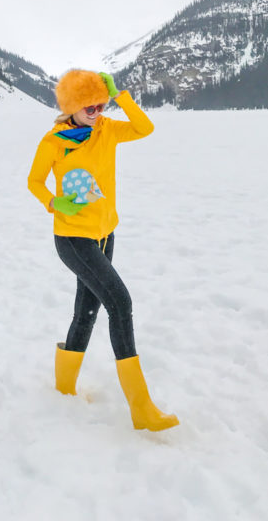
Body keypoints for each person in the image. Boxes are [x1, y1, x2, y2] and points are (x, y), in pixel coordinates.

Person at [28, 69, 179, 432]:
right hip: (73, 238)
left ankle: (64, 388)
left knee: (87, 311)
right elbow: (34, 180)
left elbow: (145, 128)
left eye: (101, 103)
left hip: (104, 234)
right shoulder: (54, 142)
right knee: (120, 303)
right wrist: (53, 202)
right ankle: (141, 408)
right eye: (89, 105)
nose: (97, 110)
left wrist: (121, 96)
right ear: (71, 107)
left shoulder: (107, 130)